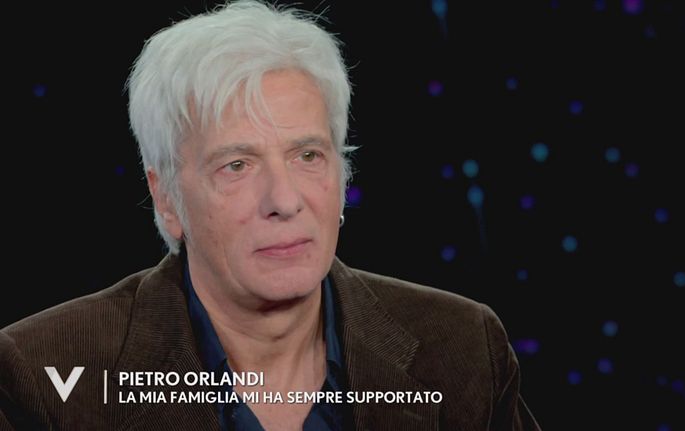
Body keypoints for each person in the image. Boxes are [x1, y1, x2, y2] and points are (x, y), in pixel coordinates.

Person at [0, 1, 540, 430]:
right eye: (236, 165)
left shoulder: (463, 348)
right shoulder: (43, 375)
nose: (284, 199)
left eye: (308, 156)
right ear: (166, 198)